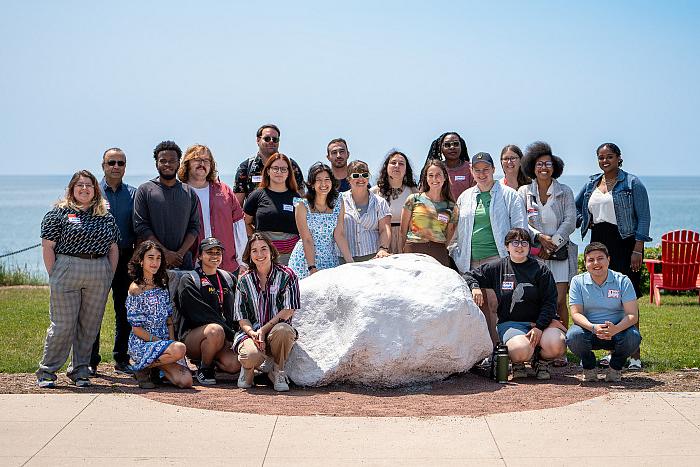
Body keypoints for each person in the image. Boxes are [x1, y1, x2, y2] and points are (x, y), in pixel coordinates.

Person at [36, 170, 120, 388]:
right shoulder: (57, 214)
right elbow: (48, 247)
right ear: (72, 189)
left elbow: (113, 248)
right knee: (63, 325)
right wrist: (54, 273)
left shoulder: (105, 216)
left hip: (98, 272)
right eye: (80, 185)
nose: (84, 189)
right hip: (67, 269)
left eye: (89, 185)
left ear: (95, 190)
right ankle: (47, 371)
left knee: (89, 326)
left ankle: (80, 371)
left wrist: (108, 274)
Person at [575, 142, 651, 370]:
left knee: (627, 298)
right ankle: (611, 353)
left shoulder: (632, 183)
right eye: (601, 157)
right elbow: (577, 207)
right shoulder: (591, 183)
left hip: (625, 243)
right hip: (599, 240)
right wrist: (580, 222)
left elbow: (644, 217)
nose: (605, 161)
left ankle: (634, 356)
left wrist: (637, 249)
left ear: (619, 158)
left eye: (609, 156)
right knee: (603, 297)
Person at [463, 228, 565, 380]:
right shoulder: (497, 267)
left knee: (557, 344)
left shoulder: (541, 269)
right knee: (521, 350)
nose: (520, 246)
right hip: (511, 323)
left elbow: (550, 302)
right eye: (515, 242)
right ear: (506, 246)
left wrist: (539, 327)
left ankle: (540, 361)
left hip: (541, 324)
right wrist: (475, 287)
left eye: (524, 242)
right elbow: (468, 275)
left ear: (529, 246)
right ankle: (518, 362)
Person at [449, 152, 527, 345]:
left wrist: (515, 255)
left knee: (495, 305)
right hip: (470, 260)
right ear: (471, 171)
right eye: (477, 170)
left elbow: (520, 228)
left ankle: (500, 350)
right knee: (477, 307)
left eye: (486, 169)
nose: (482, 174)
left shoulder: (509, 195)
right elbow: (456, 230)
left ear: (493, 170)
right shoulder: (465, 197)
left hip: (497, 259)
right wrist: (454, 251)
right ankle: (484, 350)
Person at [518, 141, 578, 367]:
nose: (544, 168)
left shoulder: (565, 191)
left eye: (549, 164)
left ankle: (561, 349)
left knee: (559, 300)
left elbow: (570, 220)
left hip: (560, 252)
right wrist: (538, 238)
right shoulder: (524, 192)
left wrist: (553, 242)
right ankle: (535, 346)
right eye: (540, 164)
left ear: (555, 167)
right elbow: (522, 220)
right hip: (535, 254)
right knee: (534, 300)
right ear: (532, 167)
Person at [89, 148, 137, 376]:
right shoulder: (92, 192)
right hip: (98, 257)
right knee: (94, 310)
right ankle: (90, 360)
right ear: (103, 165)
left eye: (121, 163)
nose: (116, 166)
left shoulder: (134, 194)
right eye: (112, 162)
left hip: (126, 256)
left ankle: (121, 358)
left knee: (124, 310)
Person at [566, 242, 642, 382]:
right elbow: (576, 314)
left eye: (600, 258)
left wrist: (616, 329)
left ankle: (616, 367)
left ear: (609, 259)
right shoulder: (577, 282)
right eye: (591, 260)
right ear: (585, 263)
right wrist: (593, 327)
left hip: (617, 330)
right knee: (573, 336)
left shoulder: (623, 281)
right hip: (589, 330)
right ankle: (588, 366)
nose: (596, 263)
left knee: (633, 337)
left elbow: (633, 315)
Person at [234, 233, 301, 391]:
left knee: (284, 330)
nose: (260, 254)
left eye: (264, 249)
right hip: (252, 332)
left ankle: (278, 370)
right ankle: (248, 369)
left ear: (271, 251)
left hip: (276, 332)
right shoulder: (244, 280)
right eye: (254, 251)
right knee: (249, 356)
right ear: (249, 255)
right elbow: (241, 317)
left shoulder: (287, 275)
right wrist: (254, 333)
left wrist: (263, 330)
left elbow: (288, 310)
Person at [126, 241, 193, 389]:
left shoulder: (162, 286)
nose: (155, 262)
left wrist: (170, 342)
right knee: (180, 348)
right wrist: (163, 344)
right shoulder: (135, 290)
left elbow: (169, 320)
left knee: (186, 380)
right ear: (141, 261)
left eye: (158, 258)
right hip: (143, 343)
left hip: (165, 346)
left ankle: (154, 367)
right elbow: (136, 329)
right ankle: (141, 367)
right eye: (150, 258)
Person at [176, 238, 241, 385]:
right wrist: (230, 333)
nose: (214, 255)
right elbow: (201, 315)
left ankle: (211, 360)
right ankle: (204, 369)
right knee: (214, 330)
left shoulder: (228, 278)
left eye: (218, 252)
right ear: (199, 256)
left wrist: (237, 333)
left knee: (234, 365)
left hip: (223, 335)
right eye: (209, 252)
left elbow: (237, 309)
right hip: (193, 337)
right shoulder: (189, 280)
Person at [177, 144, 247, 273]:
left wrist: (240, 260)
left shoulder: (224, 190)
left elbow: (239, 227)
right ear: (187, 163)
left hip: (226, 266)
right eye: (197, 159)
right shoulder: (178, 191)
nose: (202, 163)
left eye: (206, 160)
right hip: (192, 267)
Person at [133, 141, 200, 270]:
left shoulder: (189, 192)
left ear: (179, 163)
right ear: (156, 163)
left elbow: (195, 227)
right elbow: (141, 226)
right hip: (152, 263)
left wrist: (179, 254)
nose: (167, 164)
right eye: (163, 161)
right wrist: (164, 253)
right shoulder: (145, 190)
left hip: (183, 262)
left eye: (172, 160)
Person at [288, 163, 354, 279]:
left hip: (329, 259)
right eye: (318, 180)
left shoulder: (338, 201)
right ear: (312, 184)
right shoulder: (301, 205)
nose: (323, 184)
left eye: (327, 179)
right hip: (305, 262)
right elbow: (306, 239)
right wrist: (312, 267)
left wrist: (351, 263)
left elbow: (339, 234)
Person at [243, 153, 300, 265]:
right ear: (268, 171)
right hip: (263, 257)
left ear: (288, 173)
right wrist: (255, 241)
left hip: (290, 258)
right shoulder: (257, 195)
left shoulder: (296, 197)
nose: (279, 172)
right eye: (275, 168)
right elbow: (245, 223)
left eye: (284, 169)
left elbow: (302, 228)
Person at [400, 159, 457, 266]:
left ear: (445, 177)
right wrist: (403, 249)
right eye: (430, 175)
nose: (434, 179)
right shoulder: (413, 199)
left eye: (438, 175)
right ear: (426, 178)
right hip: (413, 251)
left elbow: (449, 234)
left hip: (439, 253)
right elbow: (403, 230)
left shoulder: (452, 207)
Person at [233, 124, 305, 205]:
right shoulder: (246, 167)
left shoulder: (291, 166)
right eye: (267, 139)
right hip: (256, 216)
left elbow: (301, 198)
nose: (271, 141)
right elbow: (237, 206)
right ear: (258, 140)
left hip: (286, 215)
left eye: (275, 139)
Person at [340, 160, 392, 263]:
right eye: (356, 175)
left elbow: (384, 229)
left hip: (374, 258)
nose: (361, 178)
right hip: (343, 259)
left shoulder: (380, 202)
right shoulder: (339, 200)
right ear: (348, 179)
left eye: (364, 175)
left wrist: (383, 249)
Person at [371, 150, 419, 254]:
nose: (397, 166)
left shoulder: (413, 191)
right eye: (393, 163)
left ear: (406, 169)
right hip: (380, 240)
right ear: (386, 167)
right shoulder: (374, 192)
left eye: (401, 163)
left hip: (405, 239)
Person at [425, 131, 475, 200]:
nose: (452, 147)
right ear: (441, 149)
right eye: (447, 145)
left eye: (456, 144)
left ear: (461, 146)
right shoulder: (434, 168)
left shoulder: (471, 169)